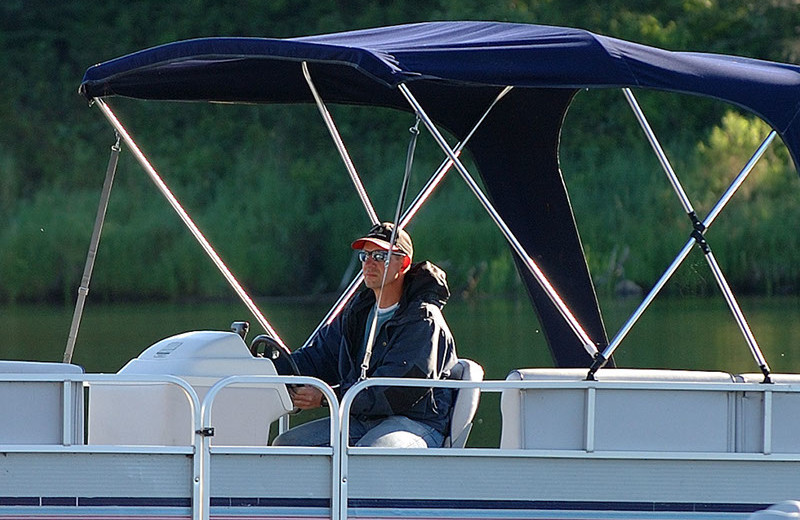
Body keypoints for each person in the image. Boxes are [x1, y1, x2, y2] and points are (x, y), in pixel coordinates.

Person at [272, 222, 458, 448]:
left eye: (380, 255)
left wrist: (325, 397)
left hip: (417, 422)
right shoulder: (357, 312)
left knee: (368, 452)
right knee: (286, 445)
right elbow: (319, 357)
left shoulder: (423, 319)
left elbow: (396, 389)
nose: (369, 262)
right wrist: (267, 368)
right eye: (365, 255)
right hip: (364, 418)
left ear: (404, 263)